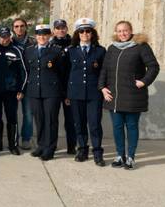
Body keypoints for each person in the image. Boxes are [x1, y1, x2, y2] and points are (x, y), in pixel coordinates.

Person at [99, 20, 159, 169]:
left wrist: (144, 82)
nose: (122, 33)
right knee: (117, 127)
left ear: (131, 31)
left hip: (133, 96)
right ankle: (120, 155)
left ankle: (131, 157)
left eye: (125, 30)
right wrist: (102, 88)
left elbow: (153, 67)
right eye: (119, 31)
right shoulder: (112, 49)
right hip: (113, 97)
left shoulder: (141, 47)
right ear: (116, 33)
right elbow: (104, 70)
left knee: (131, 127)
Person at [22, 24, 68, 161]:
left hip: (52, 91)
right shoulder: (29, 50)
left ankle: (50, 148)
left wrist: (64, 92)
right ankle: (41, 145)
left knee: (51, 120)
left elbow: (62, 73)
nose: (42, 37)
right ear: (35, 36)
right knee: (39, 119)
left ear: (49, 36)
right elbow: (27, 71)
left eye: (44, 34)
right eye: (39, 35)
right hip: (34, 91)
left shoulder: (56, 51)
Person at [65, 18, 106, 166]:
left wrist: (103, 89)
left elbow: (103, 72)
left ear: (92, 33)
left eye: (88, 31)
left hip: (94, 94)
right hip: (75, 93)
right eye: (81, 31)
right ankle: (82, 149)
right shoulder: (71, 51)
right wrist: (67, 94)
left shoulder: (100, 51)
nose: (85, 34)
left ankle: (97, 153)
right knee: (79, 123)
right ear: (77, 33)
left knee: (94, 124)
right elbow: (66, 73)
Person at [0, 27, 26, 155]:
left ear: (10, 36)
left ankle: (13, 145)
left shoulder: (17, 50)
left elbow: (24, 72)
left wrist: (21, 89)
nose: (4, 39)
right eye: (2, 36)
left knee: (12, 118)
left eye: (6, 36)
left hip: (11, 91)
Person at [50, 19, 77, 154]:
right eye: (58, 28)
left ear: (67, 29)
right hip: (54, 89)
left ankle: (71, 147)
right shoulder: (49, 46)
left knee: (71, 120)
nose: (61, 30)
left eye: (63, 28)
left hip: (70, 88)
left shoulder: (74, 44)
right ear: (54, 30)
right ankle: (52, 145)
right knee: (52, 119)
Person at [11, 18, 35, 150]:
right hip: (14, 84)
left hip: (29, 83)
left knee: (28, 114)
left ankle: (26, 139)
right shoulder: (9, 42)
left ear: (26, 27)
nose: (19, 29)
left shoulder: (33, 42)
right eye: (16, 26)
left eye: (21, 26)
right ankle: (13, 139)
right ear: (13, 28)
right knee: (12, 113)